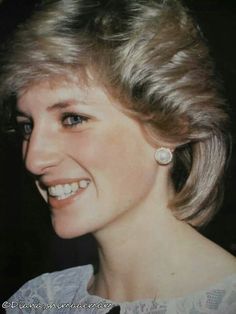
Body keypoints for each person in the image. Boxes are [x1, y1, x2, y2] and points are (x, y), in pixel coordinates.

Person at [1, 0, 236, 313]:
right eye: (27, 126)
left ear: (170, 128)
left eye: (72, 119)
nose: (34, 160)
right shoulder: (35, 302)